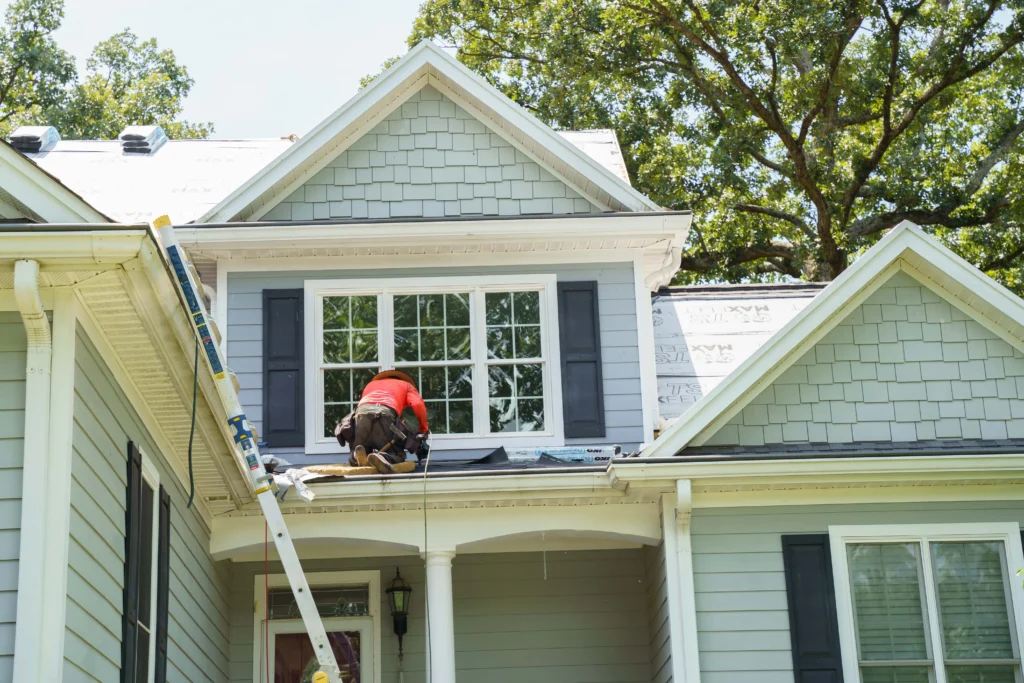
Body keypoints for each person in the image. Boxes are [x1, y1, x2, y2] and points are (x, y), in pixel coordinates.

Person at [350, 370, 429, 474]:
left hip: (360, 414)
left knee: (363, 448)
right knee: (397, 455)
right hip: (385, 414)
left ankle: (356, 457)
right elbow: (418, 405)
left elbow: (367, 405)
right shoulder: (406, 385)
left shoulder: (371, 384)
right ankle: (383, 458)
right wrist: (423, 429)